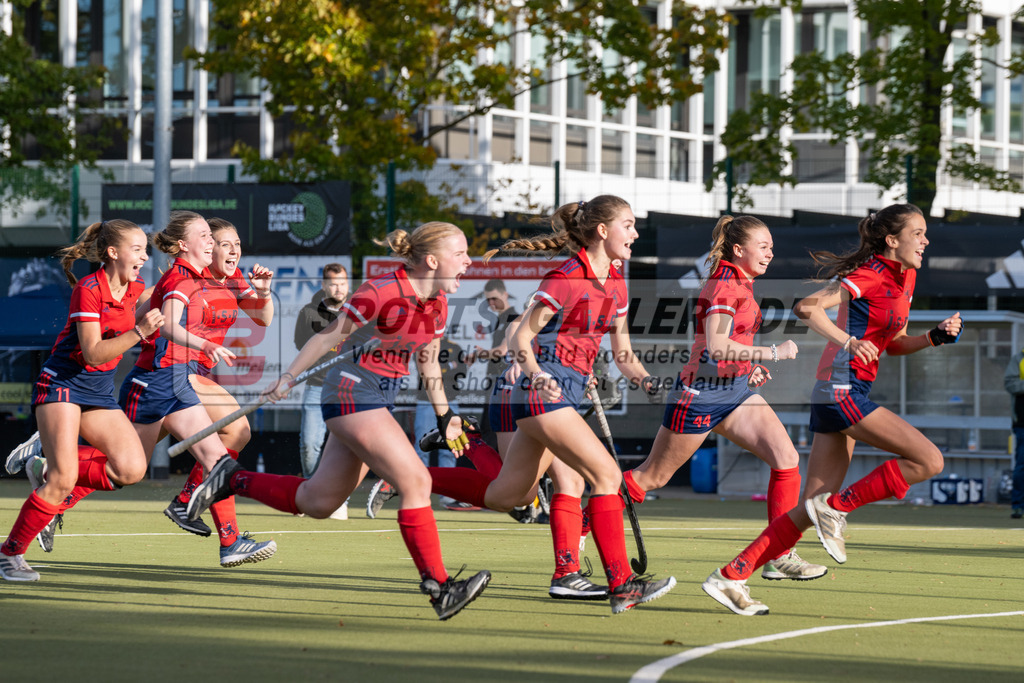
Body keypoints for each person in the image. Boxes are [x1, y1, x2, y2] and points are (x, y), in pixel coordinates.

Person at [184, 222, 491, 621]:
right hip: (352, 391)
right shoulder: (380, 290)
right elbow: (328, 336)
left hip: (380, 397)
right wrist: (288, 377)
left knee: (320, 501)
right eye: (461, 254)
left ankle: (229, 478)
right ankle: (439, 587)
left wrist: (445, 415)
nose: (468, 261)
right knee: (417, 481)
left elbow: (428, 359)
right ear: (432, 260)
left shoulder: (438, 302)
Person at [702, 203, 963, 616]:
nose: (926, 240)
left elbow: (890, 343)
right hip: (841, 389)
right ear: (892, 240)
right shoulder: (871, 273)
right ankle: (836, 508)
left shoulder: (905, 276)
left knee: (806, 510)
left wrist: (933, 337)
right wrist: (846, 342)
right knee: (928, 460)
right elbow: (807, 307)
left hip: (841, 391)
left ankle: (732, 574)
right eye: (918, 233)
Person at [424, 195, 677, 614]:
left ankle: (410, 474)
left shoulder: (616, 281)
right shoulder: (566, 277)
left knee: (512, 495)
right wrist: (537, 372)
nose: (634, 234)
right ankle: (622, 583)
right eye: (628, 225)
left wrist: (651, 382)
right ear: (602, 231)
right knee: (606, 474)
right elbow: (522, 336)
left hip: (566, 390)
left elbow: (624, 354)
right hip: (543, 388)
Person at [621, 215, 826, 583]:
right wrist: (773, 353)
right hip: (701, 394)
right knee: (651, 477)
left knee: (787, 459)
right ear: (738, 249)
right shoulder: (725, 285)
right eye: (763, 247)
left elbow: (733, 346)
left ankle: (779, 555)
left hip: (735, 391)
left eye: (772, 247)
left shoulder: (741, 283)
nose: (770, 254)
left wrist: (748, 367)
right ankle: (589, 521)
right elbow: (716, 347)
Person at [0, 219, 164, 581]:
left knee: (131, 468)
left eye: (145, 250)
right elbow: (92, 353)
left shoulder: (137, 289)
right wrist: (139, 332)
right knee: (63, 479)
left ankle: (45, 465)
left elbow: (175, 287)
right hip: (62, 385)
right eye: (136, 249)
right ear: (112, 252)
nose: (143, 256)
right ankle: (9, 555)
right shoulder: (88, 289)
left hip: (98, 393)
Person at [160, 217, 279, 566]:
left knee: (125, 464)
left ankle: (55, 476)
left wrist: (264, 292)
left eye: (237, 243)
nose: (233, 250)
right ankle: (197, 511)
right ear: (207, 247)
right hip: (171, 369)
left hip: (187, 372)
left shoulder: (232, 278)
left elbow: (264, 318)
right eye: (224, 243)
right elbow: (163, 319)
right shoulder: (186, 278)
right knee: (235, 431)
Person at [294, 262, 351, 519]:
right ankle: (312, 493)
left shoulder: (358, 311)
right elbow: (301, 345)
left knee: (348, 446)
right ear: (324, 285)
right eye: (333, 283)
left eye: (343, 282)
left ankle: (340, 498)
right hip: (317, 386)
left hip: (349, 390)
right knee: (309, 444)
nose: (338, 288)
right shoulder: (308, 313)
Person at [412, 335, 472, 510]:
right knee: (422, 446)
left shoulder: (454, 347)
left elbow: (462, 371)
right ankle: (418, 492)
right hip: (425, 400)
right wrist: (447, 367)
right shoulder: (421, 343)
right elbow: (424, 369)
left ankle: (447, 494)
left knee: (450, 447)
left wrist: (444, 368)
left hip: (450, 401)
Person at [1004, 346, 1024, 519]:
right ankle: (1017, 506)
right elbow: (1010, 384)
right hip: (1023, 422)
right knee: (1021, 466)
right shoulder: (1019, 359)